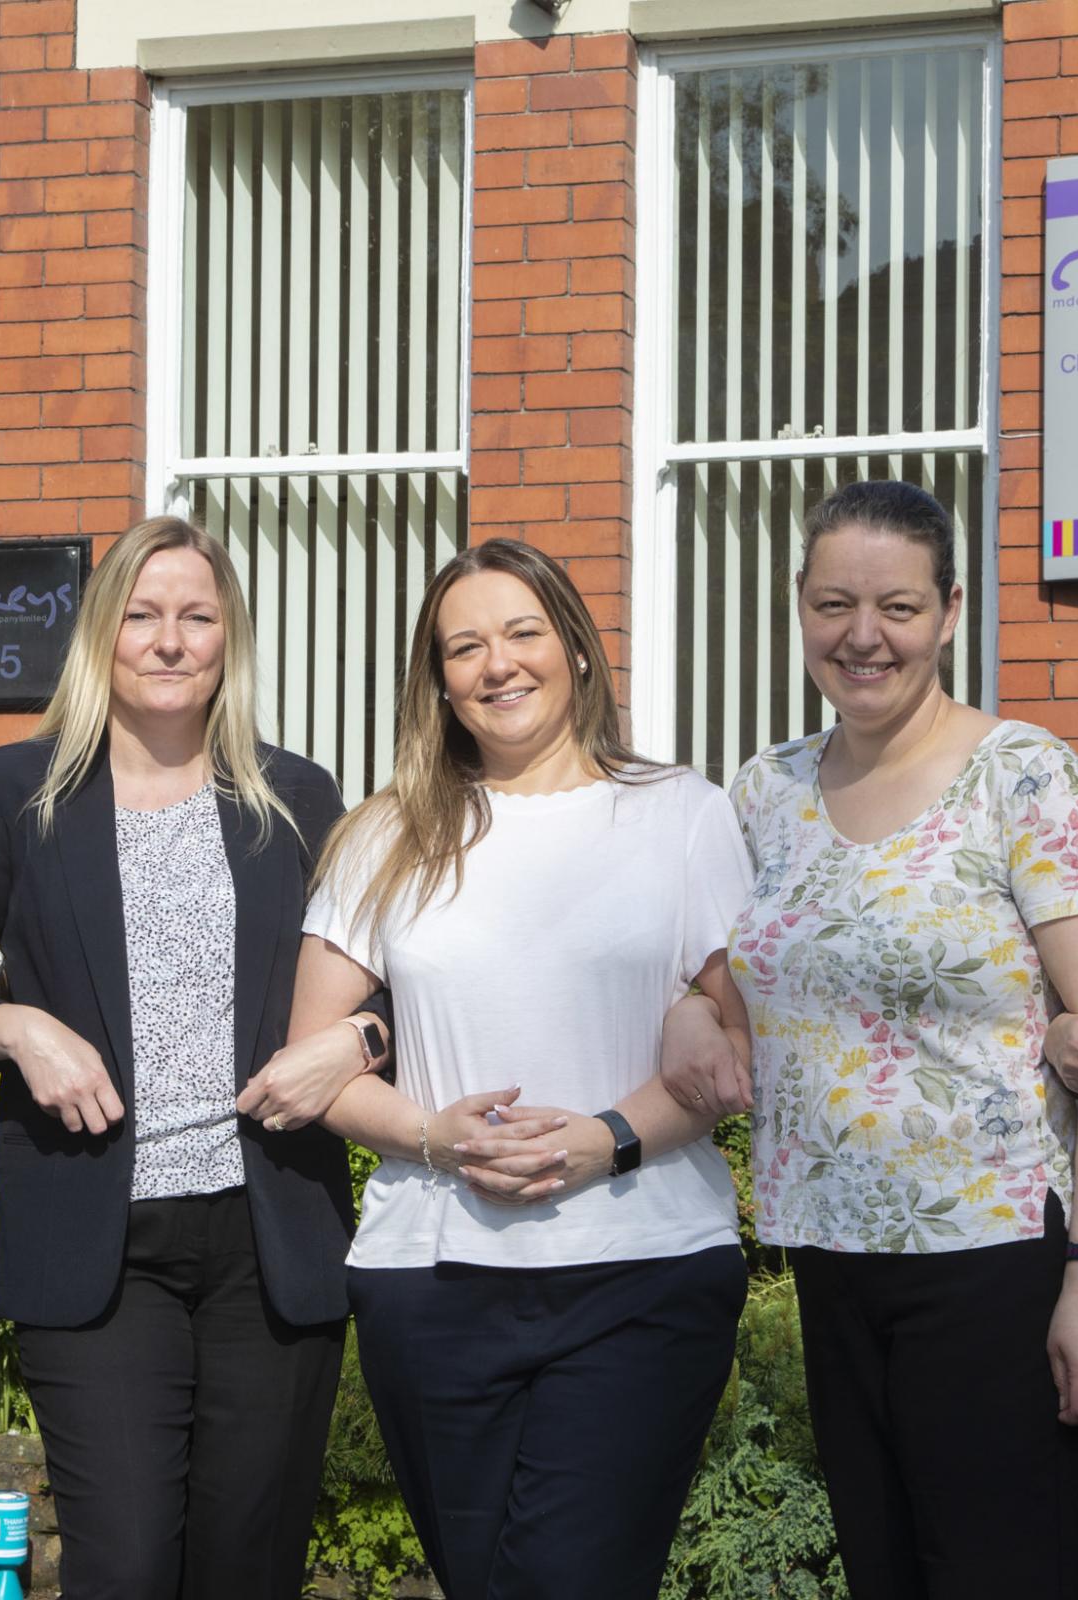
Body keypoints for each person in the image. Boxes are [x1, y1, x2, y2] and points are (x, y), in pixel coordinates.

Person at [665, 480, 1078, 1600]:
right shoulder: (764, 792)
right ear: (798, 608)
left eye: (897, 606)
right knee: (884, 1574)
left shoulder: (1027, 779)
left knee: (999, 1578)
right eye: (834, 604)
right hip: (832, 1254)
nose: (863, 635)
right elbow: (720, 980)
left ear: (951, 608)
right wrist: (694, 1006)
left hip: (993, 1259)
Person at [0, 516, 394, 1600]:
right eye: (142, 614)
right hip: (97, 1238)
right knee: (122, 1564)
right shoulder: (16, 791)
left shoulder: (298, 797)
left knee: (246, 1568)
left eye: (197, 617)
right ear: (102, 634)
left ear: (230, 641)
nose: (169, 640)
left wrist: (356, 1041)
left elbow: (399, 987)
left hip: (269, 1232)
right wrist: (21, 1028)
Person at [290, 537, 751, 1600]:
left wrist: (609, 1136)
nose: (497, 663)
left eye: (522, 632)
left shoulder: (681, 813)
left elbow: (744, 1044)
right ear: (439, 683)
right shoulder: (386, 835)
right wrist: (430, 1136)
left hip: (643, 1263)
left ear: (577, 650)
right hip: (433, 1271)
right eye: (464, 647)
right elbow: (313, 1062)